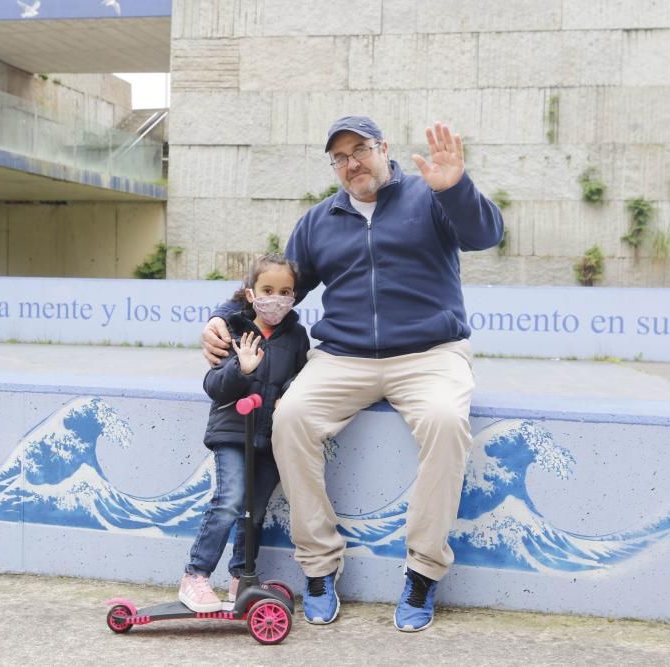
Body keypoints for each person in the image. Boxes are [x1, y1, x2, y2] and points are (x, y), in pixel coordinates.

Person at [200, 116, 503, 631]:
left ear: (383, 148)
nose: (351, 164)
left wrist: (456, 188)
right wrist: (223, 318)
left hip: (430, 354)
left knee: (446, 423)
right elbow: (277, 287)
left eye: (359, 150)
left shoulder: (430, 197)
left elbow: (485, 234)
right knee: (290, 417)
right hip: (343, 357)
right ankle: (318, 569)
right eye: (339, 157)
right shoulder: (320, 221)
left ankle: (423, 573)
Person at [179, 253, 310, 612]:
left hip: (269, 438)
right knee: (229, 501)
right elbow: (215, 385)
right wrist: (242, 367)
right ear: (251, 294)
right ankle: (196, 575)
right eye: (267, 289)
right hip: (233, 433)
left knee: (254, 510)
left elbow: (299, 378)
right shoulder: (233, 328)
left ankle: (242, 578)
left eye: (285, 291)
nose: (276, 298)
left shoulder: (297, 336)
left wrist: (291, 394)